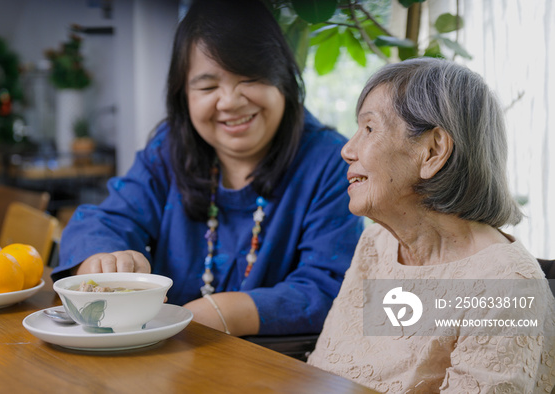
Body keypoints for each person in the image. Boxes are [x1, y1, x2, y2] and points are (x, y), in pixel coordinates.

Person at [53, 0, 364, 337]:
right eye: (207, 86)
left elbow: (328, 286)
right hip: (168, 355)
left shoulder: (332, 161)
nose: (230, 101)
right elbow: (106, 220)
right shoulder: (169, 148)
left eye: (250, 77)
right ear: (182, 95)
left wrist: (224, 312)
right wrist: (103, 259)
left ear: (284, 80)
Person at [307, 57, 555, 392]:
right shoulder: (378, 243)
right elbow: (326, 369)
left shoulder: (506, 285)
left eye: (369, 128)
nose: (347, 150)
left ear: (433, 151)